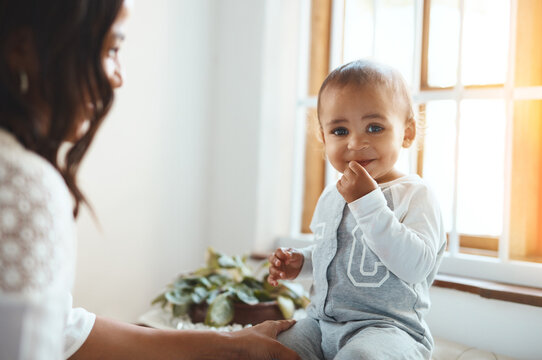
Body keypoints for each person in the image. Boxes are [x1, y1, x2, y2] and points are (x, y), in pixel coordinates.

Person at [0, 0, 301, 359]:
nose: (118, 76)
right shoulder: (23, 185)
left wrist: (233, 345)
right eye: (111, 49)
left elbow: (60, 328)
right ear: (22, 48)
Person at [268, 59, 447, 360]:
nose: (356, 142)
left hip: (388, 329)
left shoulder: (416, 195)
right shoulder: (332, 196)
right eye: (339, 131)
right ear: (323, 138)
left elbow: (415, 267)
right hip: (321, 324)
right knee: (271, 349)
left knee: (361, 357)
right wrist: (303, 262)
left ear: (406, 132)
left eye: (374, 127)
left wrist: (367, 202)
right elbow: (335, 251)